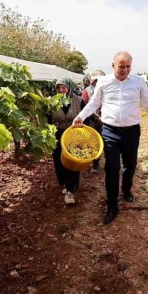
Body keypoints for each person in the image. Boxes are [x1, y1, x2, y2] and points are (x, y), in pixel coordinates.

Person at [73, 51, 148, 224]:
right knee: (111, 168)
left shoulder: (138, 82)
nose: (125, 70)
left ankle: (126, 189)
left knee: (130, 165)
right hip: (110, 131)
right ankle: (112, 205)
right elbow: (94, 103)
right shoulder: (104, 82)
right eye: (121, 66)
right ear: (113, 65)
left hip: (131, 132)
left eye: (128, 66)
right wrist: (80, 117)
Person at [49, 77, 85, 205]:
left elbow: (86, 115)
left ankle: (70, 190)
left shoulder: (79, 100)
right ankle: (66, 183)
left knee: (72, 160)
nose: (61, 90)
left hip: (74, 134)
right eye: (58, 88)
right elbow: (48, 120)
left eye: (63, 87)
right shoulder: (52, 102)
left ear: (69, 88)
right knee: (59, 160)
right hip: (57, 134)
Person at [82, 69, 105, 173]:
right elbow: (85, 107)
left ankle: (106, 163)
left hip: (106, 121)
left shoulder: (107, 89)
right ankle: (94, 164)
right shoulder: (86, 92)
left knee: (105, 142)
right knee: (94, 142)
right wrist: (96, 118)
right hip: (91, 122)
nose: (97, 82)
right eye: (95, 80)